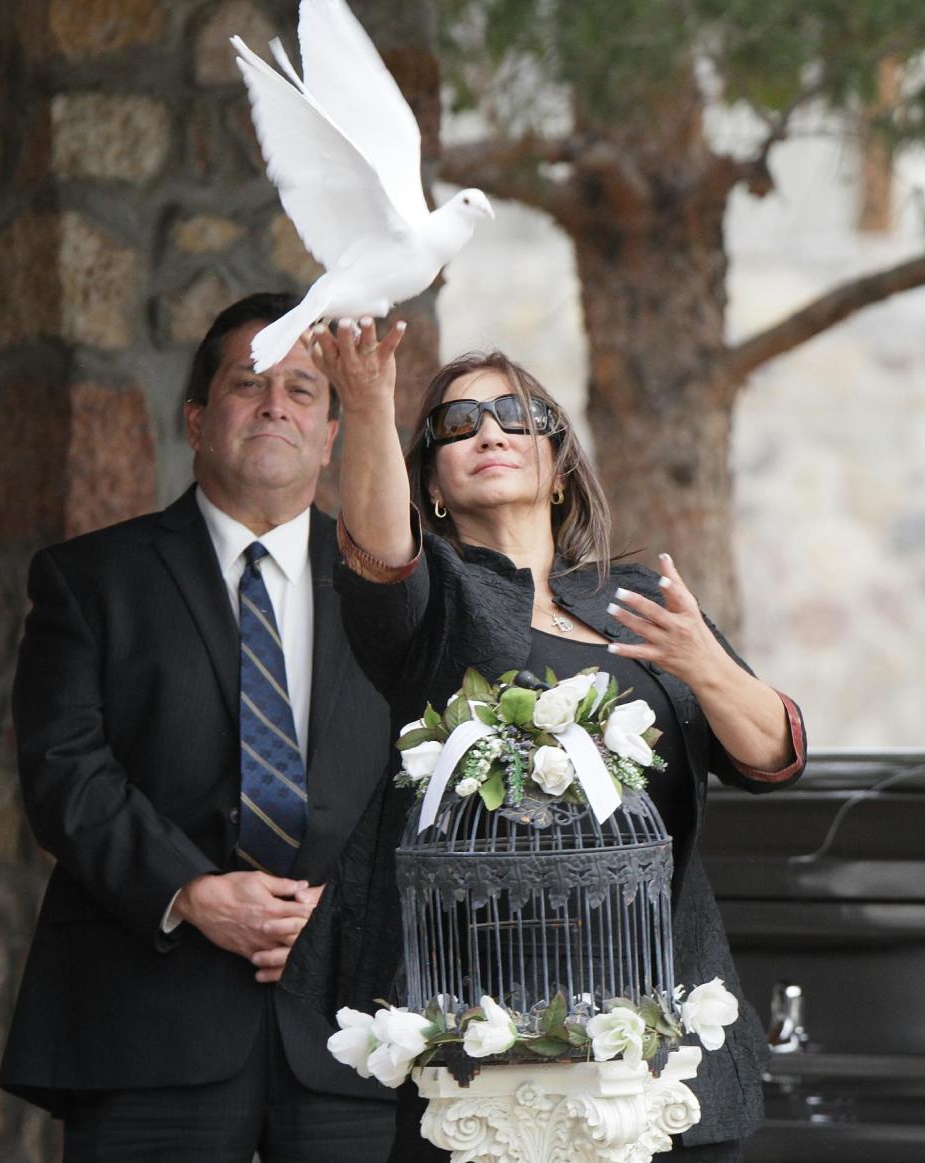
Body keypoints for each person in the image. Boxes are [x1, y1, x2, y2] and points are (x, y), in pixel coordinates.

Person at [284, 317, 807, 1162]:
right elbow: (381, 553)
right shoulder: (433, 607)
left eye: (516, 415)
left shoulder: (634, 598)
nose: (488, 430)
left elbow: (771, 756)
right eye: (457, 424)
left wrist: (705, 662)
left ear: (559, 467)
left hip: (669, 1041)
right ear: (435, 487)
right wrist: (370, 398)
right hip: (490, 1056)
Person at [0, 294, 396, 1162]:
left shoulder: (389, 592)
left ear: (332, 433)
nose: (275, 405)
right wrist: (191, 891)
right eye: (248, 383)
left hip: (354, 1025)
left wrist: (345, 913)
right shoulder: (87, 578)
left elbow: (422, 777)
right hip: (147, 1017)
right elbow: (65, 770)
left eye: (302, 388)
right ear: (197, 418)